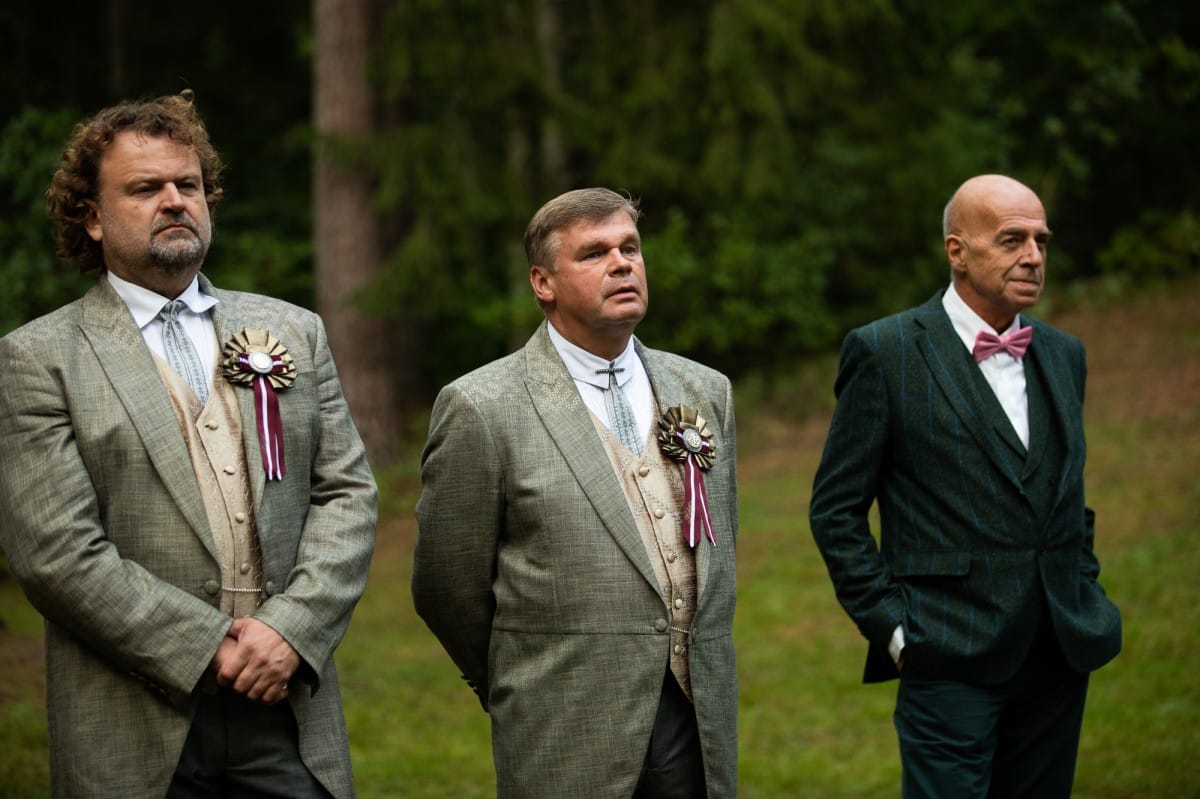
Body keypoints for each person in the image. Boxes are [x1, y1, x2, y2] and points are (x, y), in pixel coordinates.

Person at [0, 93, 377, 799]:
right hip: (134, 718)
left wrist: (291, 630)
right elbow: (56, 553)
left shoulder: (293, 331)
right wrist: (207, 647)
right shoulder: (39, 358)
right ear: (92, 217)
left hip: (287, 706)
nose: (175, 201)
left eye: (189, 185)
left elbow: (347, 494)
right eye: (145, 188)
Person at [412, 188, 739, 798]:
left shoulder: (705, 390)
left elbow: (721, 552)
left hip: (699, 719)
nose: (622, 264)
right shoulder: (482, 406)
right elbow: (445, 586)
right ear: (543, 283)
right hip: (564, 721)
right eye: (594, 253)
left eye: (630, 248)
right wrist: (519, 675)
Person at [809, 174, 1122, 797]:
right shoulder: (885, 351)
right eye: (1012, 240)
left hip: (1059, 650)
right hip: (945, 653)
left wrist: (1082, 587)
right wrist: (893, 629)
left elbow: (1066, 496)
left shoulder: (1064, 354)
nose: (1033, 256)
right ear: (957, 250)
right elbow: (836, 510)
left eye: (1041, 240)